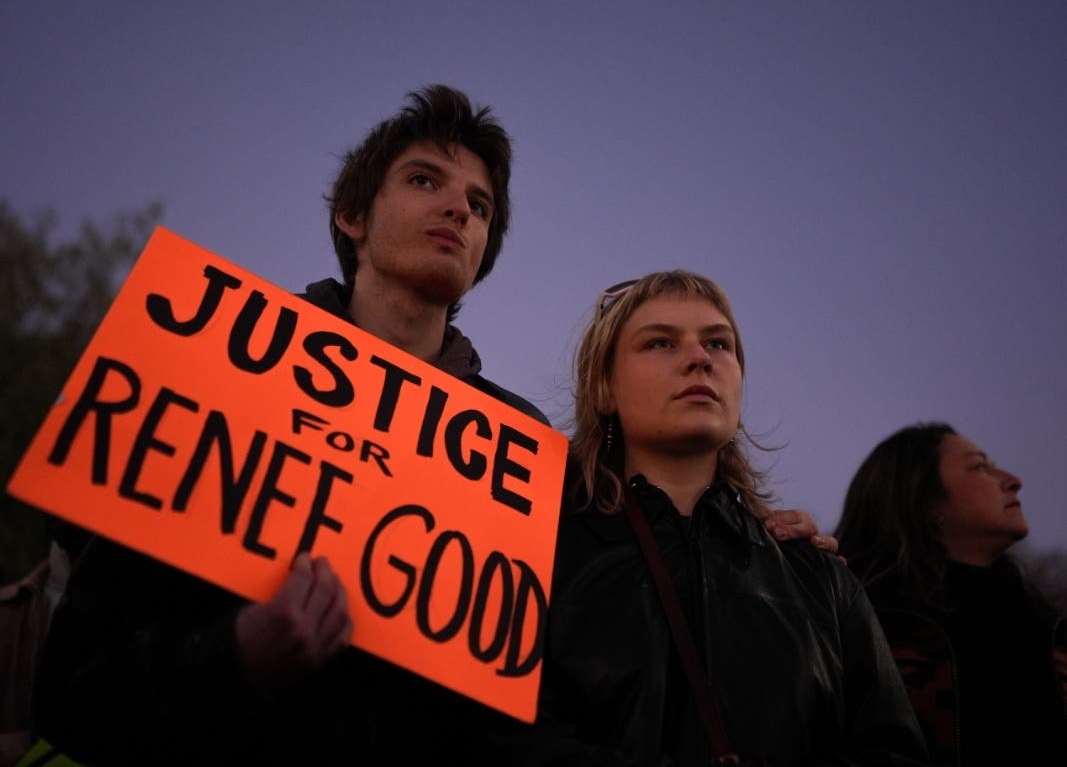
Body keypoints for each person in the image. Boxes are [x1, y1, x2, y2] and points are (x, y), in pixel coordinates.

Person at [30, 89, 834, 765]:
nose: (457, 206)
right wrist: (236, 656)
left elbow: (618, 619)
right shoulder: (214, 373)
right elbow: (69, 695)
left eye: (479, 205)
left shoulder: (521, 452)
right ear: (351, 214)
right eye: (425, 180)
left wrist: (750, 549)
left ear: (483, 251)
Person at [486, 271, 928, 765]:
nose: (700, 358)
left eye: (719, 344)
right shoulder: (536, 552)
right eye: (660, 343)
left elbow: (896, 752)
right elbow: (494, 740)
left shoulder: (820, 579)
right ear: (604, 388)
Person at [833, 423, 1067, 767]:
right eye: (979, 467)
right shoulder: (862, 619)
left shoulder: (1049, 626)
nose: (1013, 479)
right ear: (923, 499)